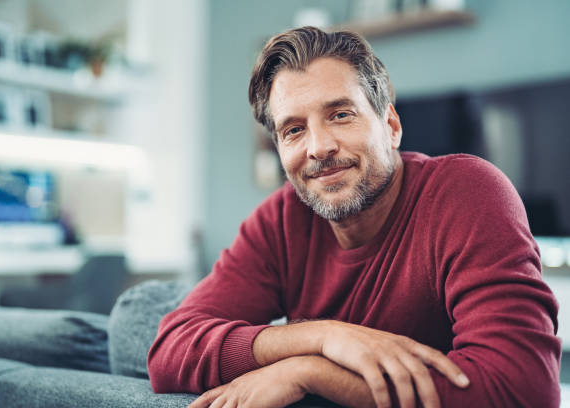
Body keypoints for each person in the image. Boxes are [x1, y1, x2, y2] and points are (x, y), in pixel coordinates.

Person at [147, 26, 561, 408]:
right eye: (293, 130)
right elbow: (167, 353)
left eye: (340, 115)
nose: (319, 147)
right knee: (139, 321)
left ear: (391, 125)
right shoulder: (281, 217)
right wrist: (325, 336)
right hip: (177, 312)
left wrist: (310, 370)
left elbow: (524, 389)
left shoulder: (468, 191)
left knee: (130, 322)